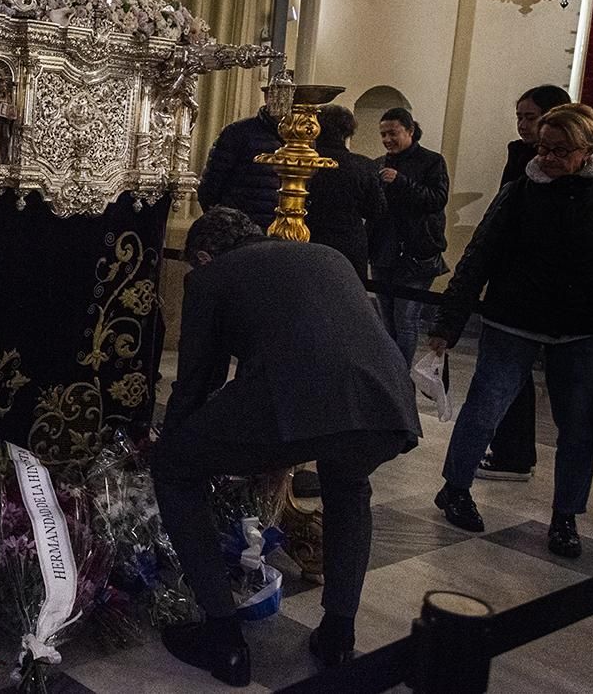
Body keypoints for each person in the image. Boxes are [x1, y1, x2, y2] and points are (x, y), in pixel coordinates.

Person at [154, 207, 421, 686]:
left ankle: (223, 640)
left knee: (174, 468)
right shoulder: (327, 255)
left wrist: (172, 441)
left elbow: (197, 382)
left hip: (295, 401)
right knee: (349, 484)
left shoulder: (212, 276)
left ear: (204, 255)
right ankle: (338, 635)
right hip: (384, 403)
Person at [429, 103, 593, 559]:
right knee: (484, 409)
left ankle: (566, 515)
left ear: (588, 149)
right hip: (513, 320)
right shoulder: (520, 193)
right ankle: (455, 487)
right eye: (543, 148)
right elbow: (478, 256)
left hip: (579, 328)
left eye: (560, 150)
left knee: (578, 427)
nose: (547, 157)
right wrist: (448, 324)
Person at [479, 84, 572, 483]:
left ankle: (515, 454)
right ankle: (511, 449)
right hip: (513, 282)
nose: (521, 124)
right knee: (509, 378)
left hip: (547, 290)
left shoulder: (565, 172)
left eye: (529, 117)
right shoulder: (519, 156)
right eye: (518, 116)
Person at [368, 107, 449, 366]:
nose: (387, 139)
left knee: (405, 319)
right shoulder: (379, 164)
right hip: (384, 252)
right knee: (386, 319)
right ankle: (388, 370)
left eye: (393, 133)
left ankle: (401, 374)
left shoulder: (432, 161)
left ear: (410, 130)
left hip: (416, 255)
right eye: (383, 134)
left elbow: (437, 199)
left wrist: (402, 181)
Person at [308, 104, 387, 277]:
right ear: (347, 132)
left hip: (310, 239)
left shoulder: (303, 163)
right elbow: (376, 210)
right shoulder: (363, 166)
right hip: (349, 242)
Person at [196, 96, 284, 230]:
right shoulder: (238, 133)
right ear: (267, 97)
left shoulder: (306, 138)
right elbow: (210, 187)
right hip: (241, 229)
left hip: (284, 228)